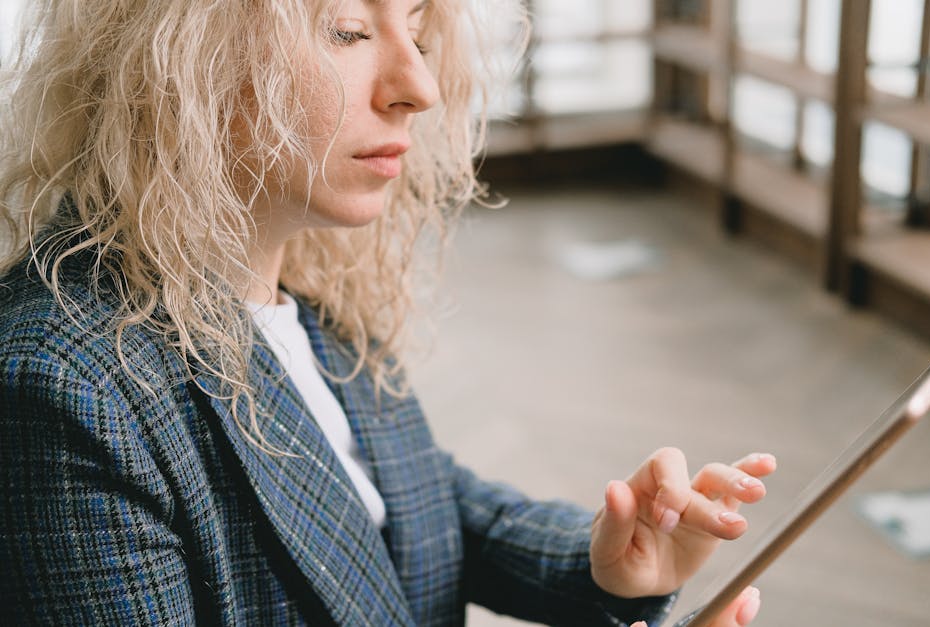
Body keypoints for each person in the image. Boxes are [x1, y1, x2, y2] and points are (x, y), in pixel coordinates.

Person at [0, 1, 775, 625]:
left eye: (415, 26)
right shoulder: (63, 391)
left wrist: (603, 558)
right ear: (182, 52)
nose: (419, 85)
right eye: (349, 30)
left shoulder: (297, 294)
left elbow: (411, 507)